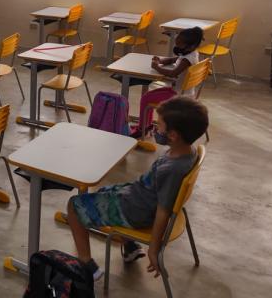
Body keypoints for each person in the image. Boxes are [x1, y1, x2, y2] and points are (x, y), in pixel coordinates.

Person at [67, 97, 209, 281]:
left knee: (74, 206)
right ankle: (131, 247)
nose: (156, 129)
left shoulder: (172, 170)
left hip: (136, 211)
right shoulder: (188, 152)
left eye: (159, 125)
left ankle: (86, 265)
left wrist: (154, 248)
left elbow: (163, 210)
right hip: (139, 198)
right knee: (103, 191)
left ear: (173, 135)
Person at [152, 27, 204, 97]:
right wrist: (160, 60)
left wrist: (157, 67)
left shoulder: (187, 60)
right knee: (152, 93)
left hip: (179, 95)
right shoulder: (191, 53)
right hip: (182, 91)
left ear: (191, 46)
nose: (177, 48)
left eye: (179, 46)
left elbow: (172, 74)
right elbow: (172, 60)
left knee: (147, 97)